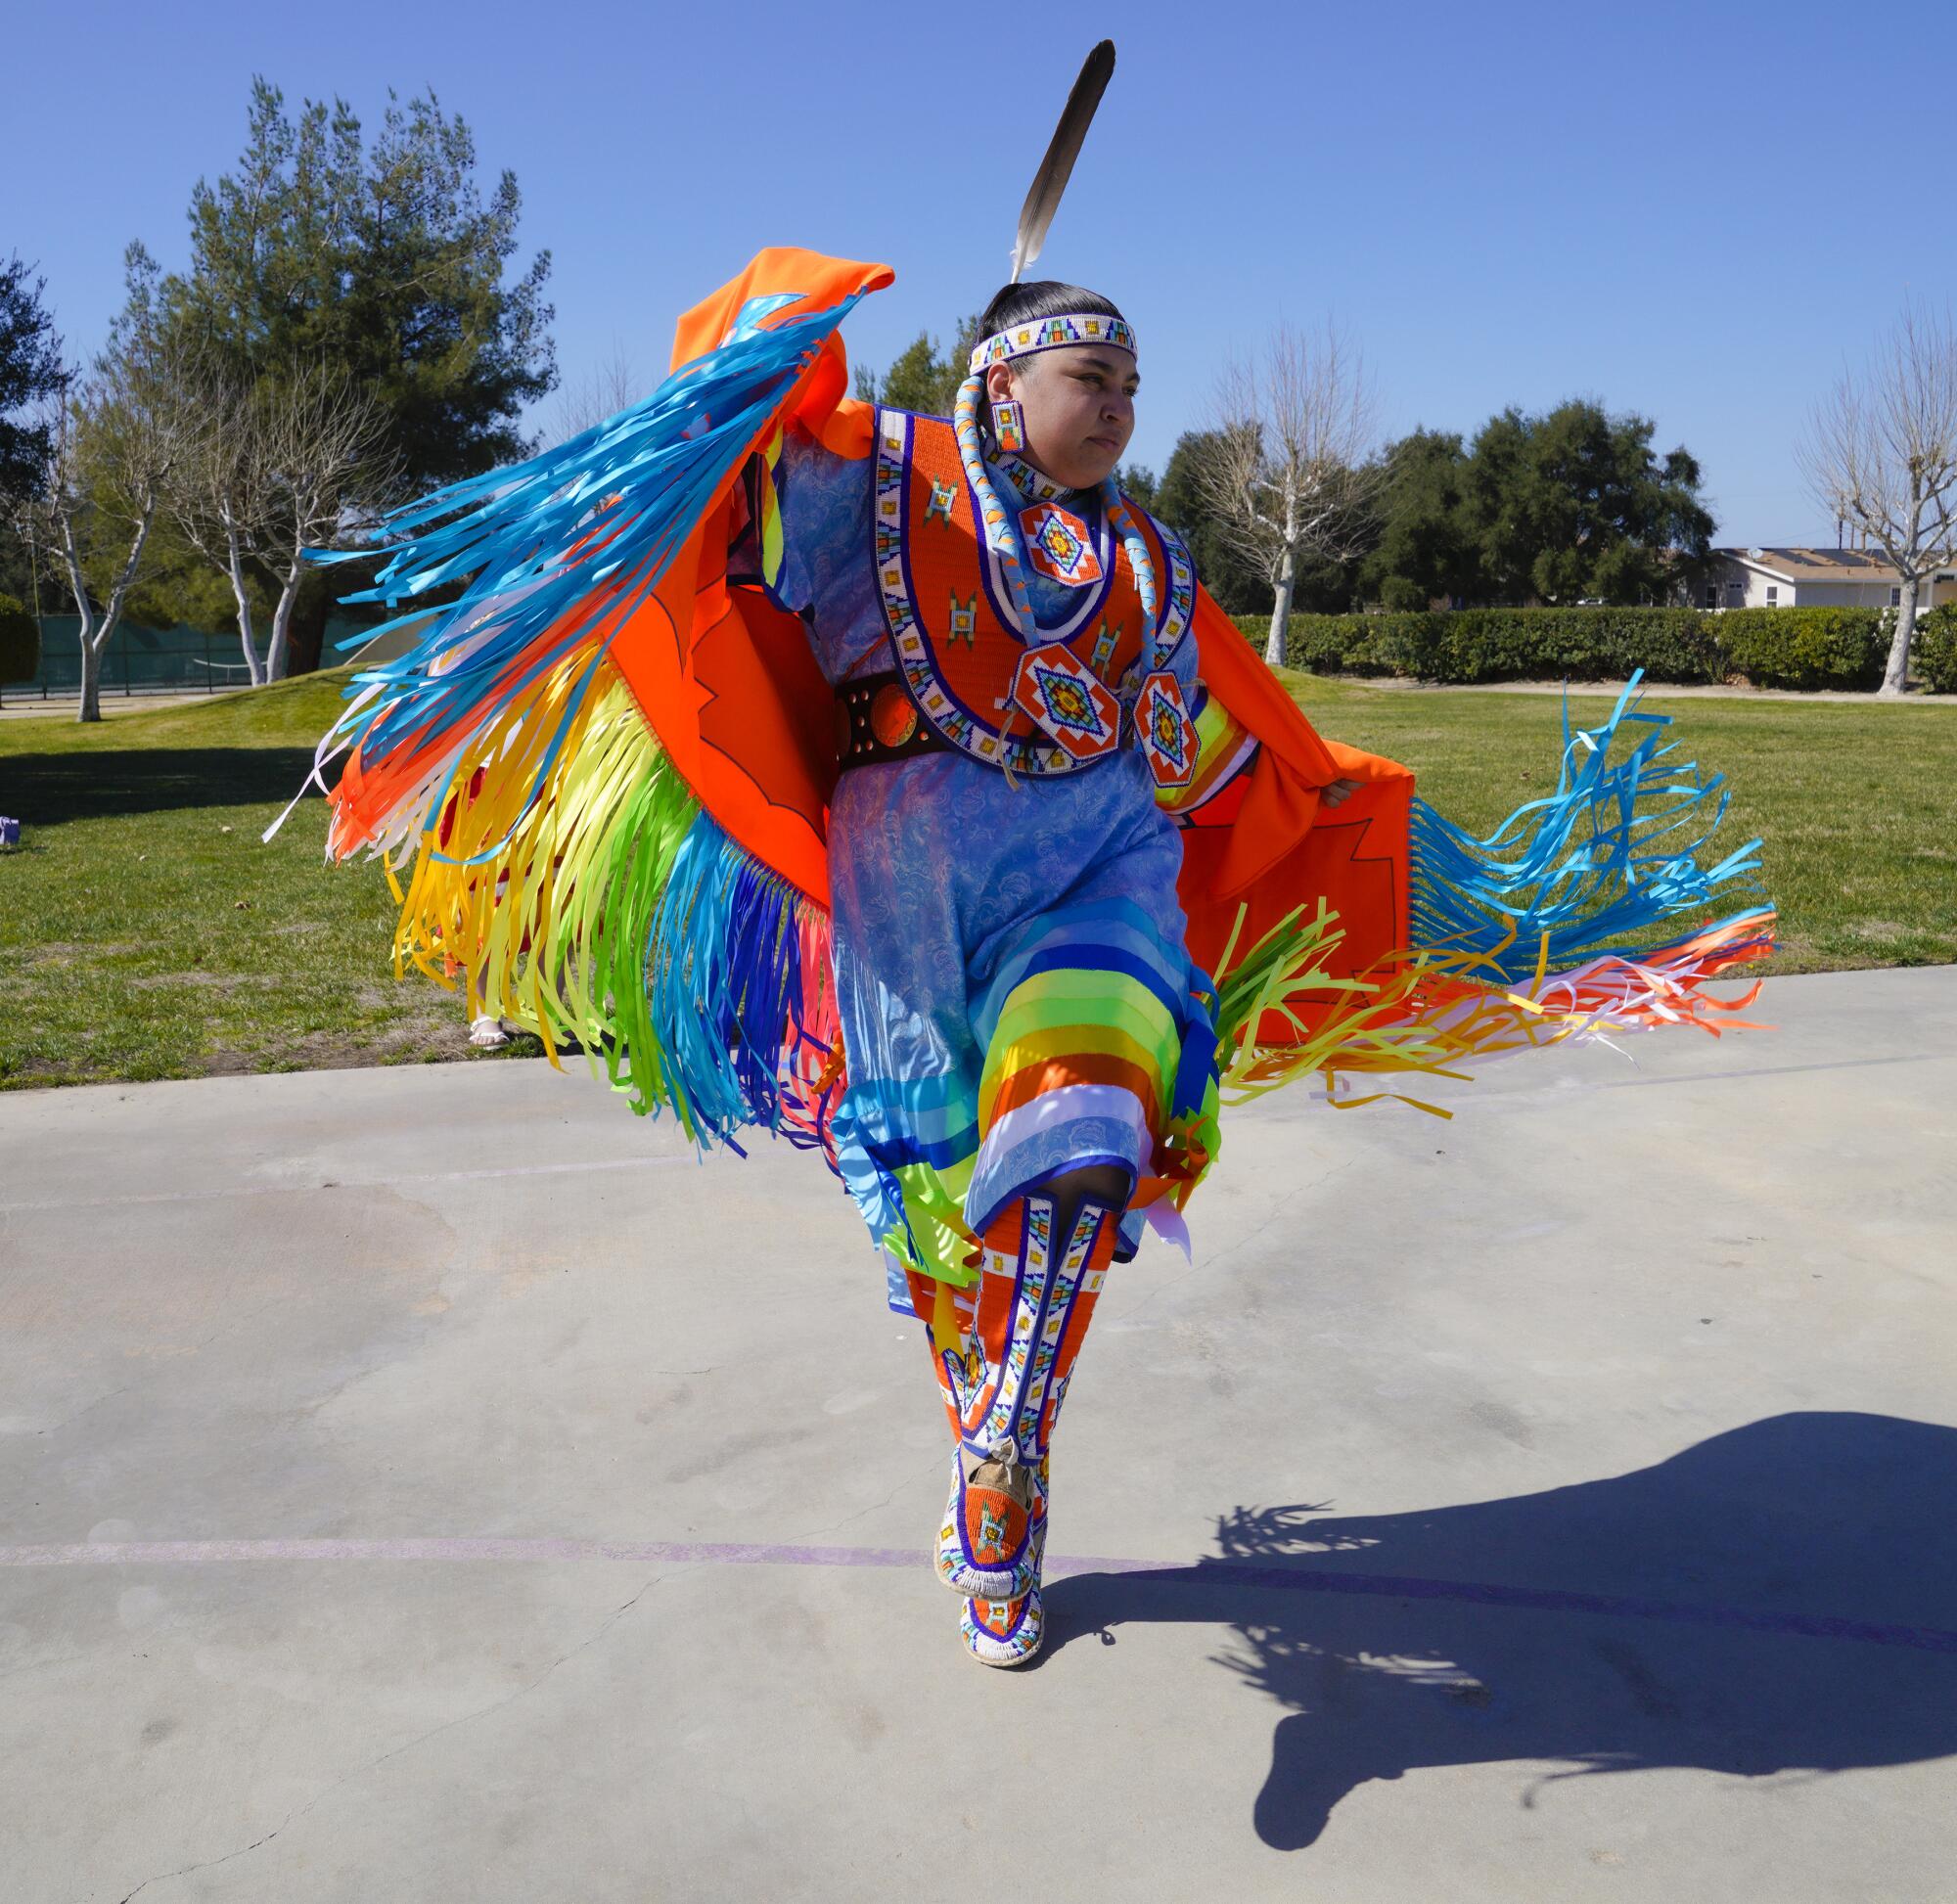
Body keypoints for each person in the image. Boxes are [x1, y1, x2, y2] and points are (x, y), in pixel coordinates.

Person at [296, 249, 1773, 1667]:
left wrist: (1299, 807)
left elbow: (1190, 743)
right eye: (1092, 372)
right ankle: (992, 1453)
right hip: (907, 908)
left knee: (1085, 1131)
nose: (1122, 401)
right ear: (1003, 385)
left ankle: (1008, 1448)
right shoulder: (884, 485)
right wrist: (783, 356)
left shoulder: (1152, 561)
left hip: (1097, 882)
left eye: (1135, 379)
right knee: (948, 1231)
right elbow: (722, 498)